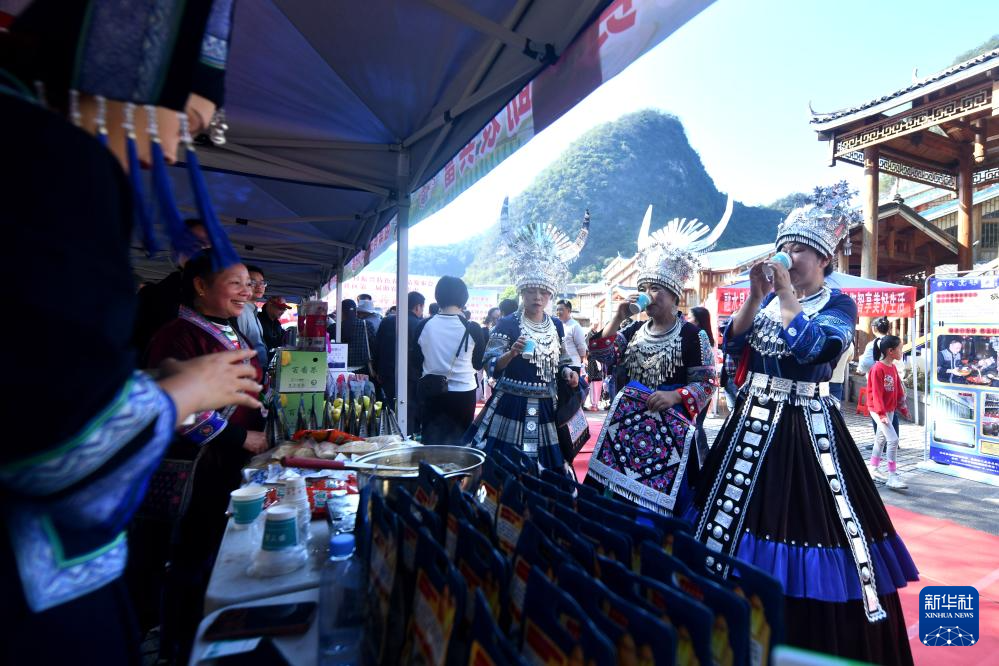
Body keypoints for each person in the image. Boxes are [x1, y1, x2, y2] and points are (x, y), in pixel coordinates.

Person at [688, 183, 917, 664]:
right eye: (785, 247)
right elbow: (733, 345)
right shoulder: (770, 300)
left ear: (823, 259)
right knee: (725, 517)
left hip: (806, 428)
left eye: (799, 250)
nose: (788, 257)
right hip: (750, 421)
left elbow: (816, 349)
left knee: (811, 521)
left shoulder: (839, 304)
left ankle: (794, 637)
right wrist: (756, 296)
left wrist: (786, 294)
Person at [585, 205, 723, 516]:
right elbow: (601, 355)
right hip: (627, 431)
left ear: (674, 294)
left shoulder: (693, 336)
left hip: (670, 435)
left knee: (660, 514)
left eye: (656, 289)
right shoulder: (633, 330)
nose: (648, 295)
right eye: (644, 288)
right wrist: (617, 316)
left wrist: (675, 396)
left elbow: (707, 384)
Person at [469, 198, 586, 472]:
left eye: (543, 292)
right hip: (510, 404)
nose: (537, 297)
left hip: (546, 405)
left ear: (550, 294)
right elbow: (489, 364)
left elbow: (562, 360)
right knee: (503, 470)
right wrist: (511, 353)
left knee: (546, 471)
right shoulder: (507, 324)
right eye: (531, 291)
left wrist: (568, 373)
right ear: (522, 292)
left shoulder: (556, 325)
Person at [412, 278, 485, 444]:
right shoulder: (473, 328)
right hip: (464, 394)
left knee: (431, 442)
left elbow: (416, 362)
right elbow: (478, 364)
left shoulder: (423, 325)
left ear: (438, 296)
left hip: (432, 392)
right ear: (464, 298)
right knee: (460, 445)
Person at [134, 218, 211, 359]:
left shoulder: (223, 297)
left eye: (208, 245)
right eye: (195, 244)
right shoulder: (152, 296)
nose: (202, 250)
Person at [867, 335, 911, 489]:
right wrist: (881, 414)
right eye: (900, 348)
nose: (902, 351)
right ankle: (892, 476)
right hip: (879, 411)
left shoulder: (892, 367)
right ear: (890, 351)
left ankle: (873, 469)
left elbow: (898, 390)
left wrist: (903, 408)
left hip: (889, 410)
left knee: (881, 439)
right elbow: (876, 394)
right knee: (893, 440)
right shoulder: (877, 369)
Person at [373, 291, 425, 418]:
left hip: (387, 374)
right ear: (418, 306)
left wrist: (377, 370)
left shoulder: (386, 321)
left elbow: (377, 346)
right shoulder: (420, 324)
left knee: (389, 409)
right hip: (410, 376)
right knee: (409, 412)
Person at [858, 317, 900, 435]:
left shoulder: (874, 344)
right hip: (892, 379)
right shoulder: (894, 341)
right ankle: (893, 437)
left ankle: (884, 439)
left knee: (878, 409)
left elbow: (865, 364)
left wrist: (861, 369)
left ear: (873, 328)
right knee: (891, 410)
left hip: (877, 381)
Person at [690, 306, 718, 465]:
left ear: (698, 320)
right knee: (698, 424)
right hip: (706, 385)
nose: (688, 320)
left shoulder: (699, 336)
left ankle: (705, 458)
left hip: (700, 386)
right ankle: (704, 457)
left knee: (697, 424)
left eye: (690, 317)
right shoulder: (706, 336)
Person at [236, 265, 268, 366]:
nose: (259, 286)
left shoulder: (253, 311)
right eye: (253, 282)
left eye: (262, 283)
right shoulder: (240, 311)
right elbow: (239, 346)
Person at [338, 299, 377, 372]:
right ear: (355, 311)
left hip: (339, 368)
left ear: (341, 312)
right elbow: (374, 346)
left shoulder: (335, 327)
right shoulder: (367, 325)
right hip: (363, 369)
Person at [556, 299, 587, 373]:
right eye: (557, 310)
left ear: (569, 310)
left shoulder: (575, 326)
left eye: (561, 309)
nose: (558, 312)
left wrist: (579, 359)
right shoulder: (557, 325)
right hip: (560, 365)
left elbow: (581, 346)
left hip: (573, 364)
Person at [259, 296, 291, 360]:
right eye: (280, 308)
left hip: (273, 360)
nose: (282, 311)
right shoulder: (258, 320)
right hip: (260, 360)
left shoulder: (277, 324)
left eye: (284, 309)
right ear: (270, 305)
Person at [584, 323, 605, 411]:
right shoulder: (590, 334)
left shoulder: (598, 334)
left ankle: (594, 405)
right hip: (595, 366)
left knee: (595, 387)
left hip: (597, 363)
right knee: (596, 387)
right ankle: (595, 404)